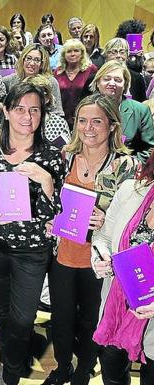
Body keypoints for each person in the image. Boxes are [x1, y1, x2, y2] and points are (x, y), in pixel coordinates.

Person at [43, 94, 138, 385]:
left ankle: (83, 372)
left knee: (90, 322)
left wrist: (107, 219)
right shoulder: (64, 156)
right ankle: (62, 368)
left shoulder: (126, 166)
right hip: (63, 254)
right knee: (60, 321)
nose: (89, 128)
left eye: (97, 121)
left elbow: (132, 220)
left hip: (99, 262)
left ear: (112, 126)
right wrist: (49, 218)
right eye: (83, 121)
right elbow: (52, 203)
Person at [0, 82, 65, 385]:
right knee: (2, 312)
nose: (27, 116)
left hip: (33, 249)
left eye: (34, 110)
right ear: (6, 111)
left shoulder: (51, 155)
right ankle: (7, 364)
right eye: (20, 109)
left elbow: (62, 215)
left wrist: (48, 183)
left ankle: (10, 376)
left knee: (24, 317)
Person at [90, 149, 154, 385]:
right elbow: (103, 237)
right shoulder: (130, 190)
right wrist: (100, 257)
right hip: (115, 312)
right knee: (112, 371)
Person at [88, 60, 154, 162]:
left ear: (125, 85)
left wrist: (128, 164)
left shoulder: (141, 111)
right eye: (107, 79)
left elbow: (149, 150)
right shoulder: (86, 109)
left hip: (128, 173)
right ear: (97, 83)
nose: (112, 83)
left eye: (118, 80)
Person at [1, 43, 64, 116]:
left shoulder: (50, 82)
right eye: (28, 58)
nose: (31, 63)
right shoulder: (10, 80)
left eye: (37, 60)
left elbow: (58, 112)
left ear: (42, 64)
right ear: (23, 59)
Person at [54, 39, 98, 128]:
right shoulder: (57, 72)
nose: (72, 54)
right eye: (69, 51)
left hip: (85, 117)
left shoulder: (91, 70)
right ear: (64, 55)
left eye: (76, 51)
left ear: (82, 53)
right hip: (62, 119)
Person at [24, 75, 71, 145]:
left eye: (37, 94)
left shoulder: (58, 123)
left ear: (47, 98)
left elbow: (66, 152)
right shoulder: (16, 120)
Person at [99, 37, 148, 102]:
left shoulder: (138, 78)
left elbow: (142, 103)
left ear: (127, 56)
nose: (118, 55)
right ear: (106, 55)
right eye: (114, 52)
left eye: (122, 52)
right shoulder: (96, 76)